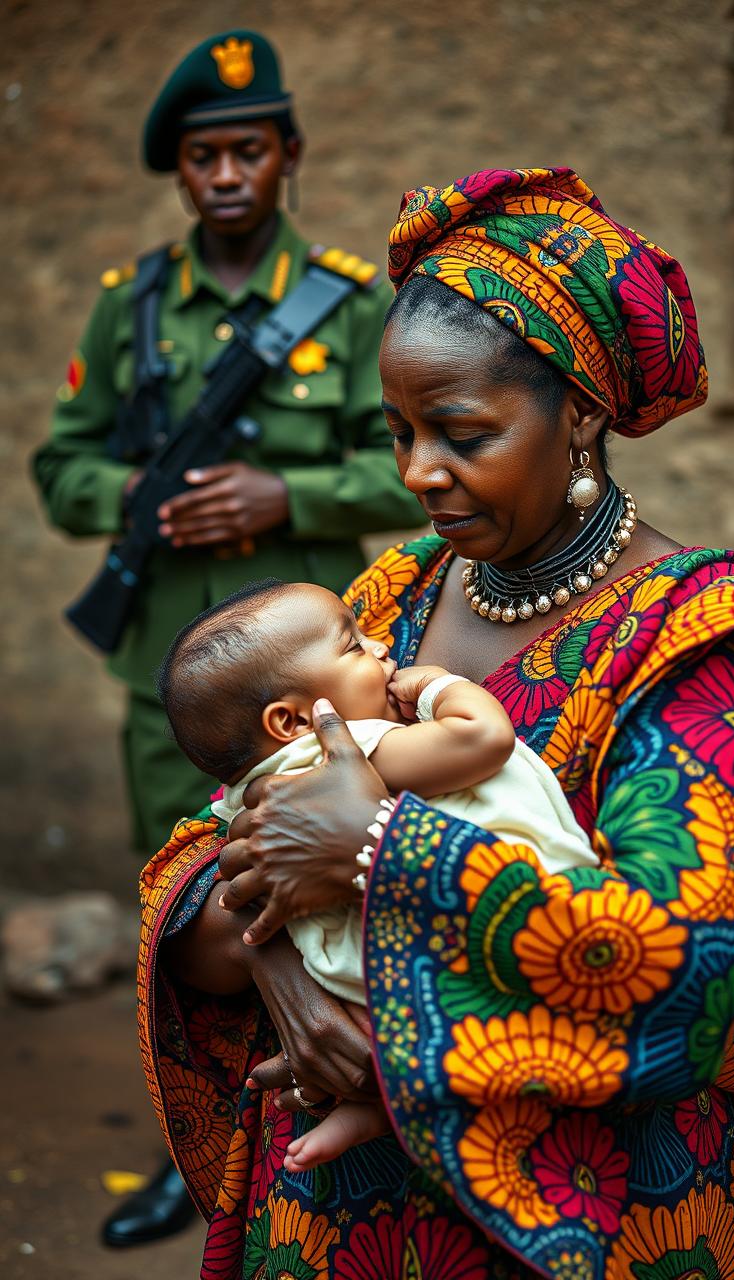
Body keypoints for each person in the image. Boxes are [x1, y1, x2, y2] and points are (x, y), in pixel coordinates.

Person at [137, 168, 734, 1278]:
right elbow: (210, 831)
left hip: (580, 1221)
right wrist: (290, 975)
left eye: (461, 432)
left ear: (583, 412)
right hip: (340, 1222)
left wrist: (374, 849)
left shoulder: (702, 644)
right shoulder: (393, 595)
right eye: (400, 430)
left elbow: (687, 974)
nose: (418, 473)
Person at [31, 28, 423, 1247]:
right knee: (190, 897)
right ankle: (194, 1147)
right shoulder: (131, 307)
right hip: (177, 671)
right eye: (203, 158)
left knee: (328, 888)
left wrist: (283, 498)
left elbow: (406, 462)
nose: (226, 177)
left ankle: (356, 1115)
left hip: (316, 675)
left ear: (288, 155)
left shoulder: (354, 305)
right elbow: (60, 468)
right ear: (179, 172)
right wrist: (141, 502)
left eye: (249, 150)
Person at [156, 575, 598, 1169]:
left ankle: (372, 1107)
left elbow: (214, 864)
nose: (384, 647)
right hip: (466, 949)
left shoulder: (253, 787)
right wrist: (439, 688)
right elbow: (482, 738)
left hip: (359, 984)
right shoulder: (353, 748)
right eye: (355, 646)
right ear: (289, 722)